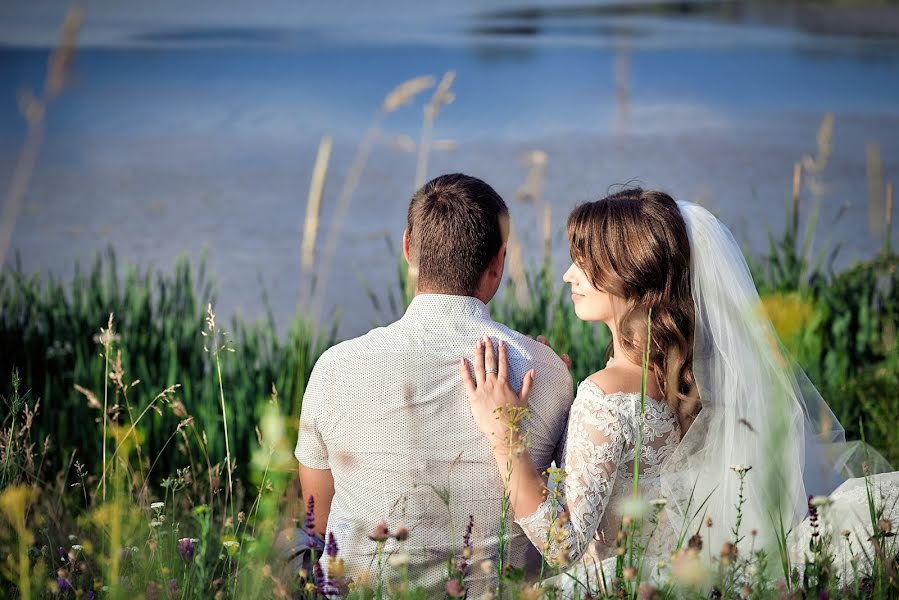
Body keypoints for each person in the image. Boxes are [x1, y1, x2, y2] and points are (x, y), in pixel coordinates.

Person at [461, 188, 897, 591]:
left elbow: (562, 545)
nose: (567, 276)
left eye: (585, 263)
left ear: (628, 275)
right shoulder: (686, 375)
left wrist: (508, 438)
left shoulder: (605, 397)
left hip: (628, 583)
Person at [294, 173, 574, 593]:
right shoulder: (547, 372)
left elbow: (317, 518)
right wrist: (550, 368)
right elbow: (563, 520)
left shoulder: (335, 367)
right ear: (498, 262)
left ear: (408, 248)